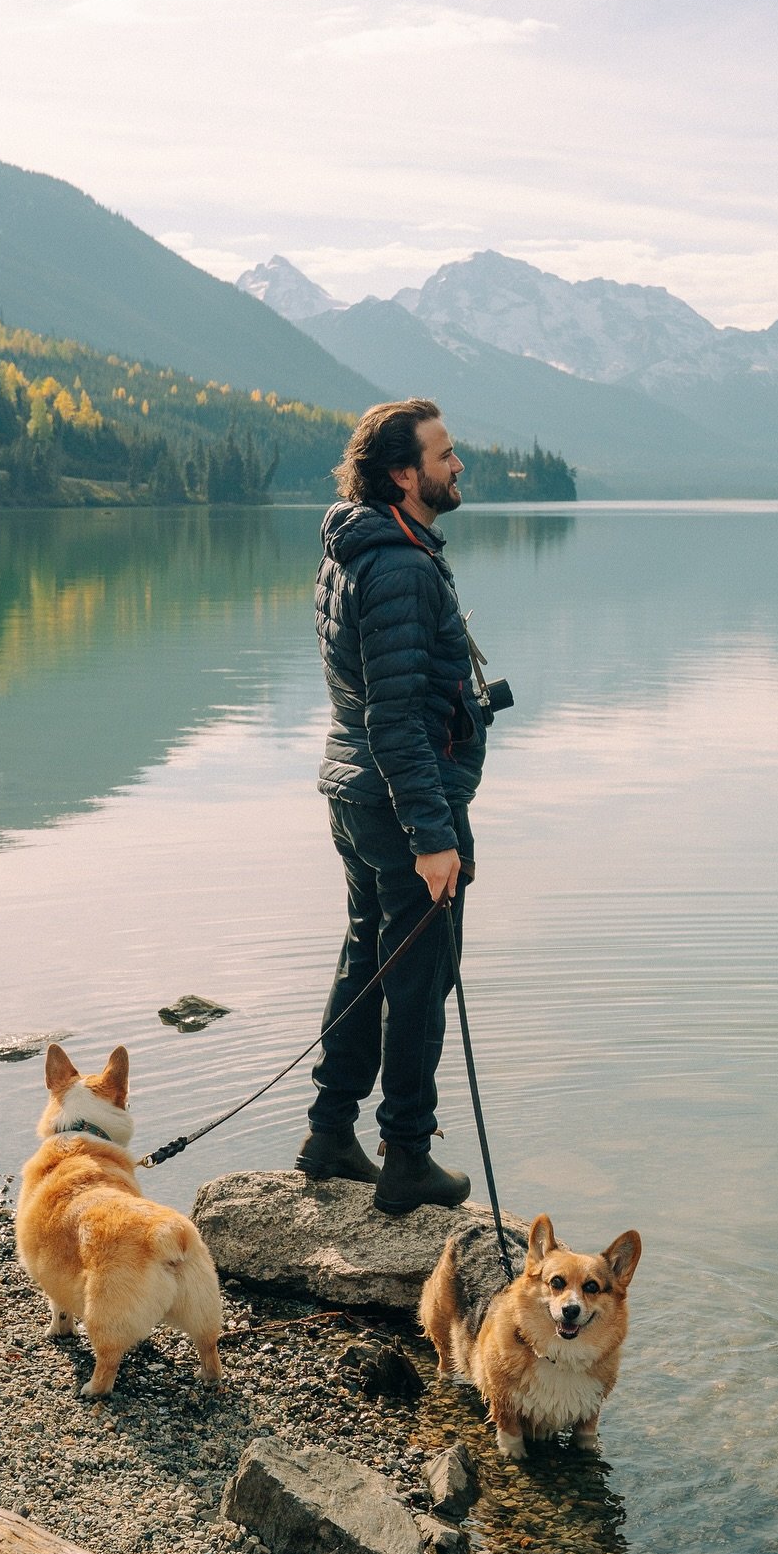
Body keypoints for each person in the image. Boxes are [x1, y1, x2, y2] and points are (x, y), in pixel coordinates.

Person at [296, 398, 488, 1214]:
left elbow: (372, 700)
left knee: (367, 958)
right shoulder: (402, 567)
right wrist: (432, 834)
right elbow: (397, 714)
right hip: (400, 802)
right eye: (445, 455)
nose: (458, 466)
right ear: (404, 474)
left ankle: (330, 1132)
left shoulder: (356, 546)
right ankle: (407, 1155)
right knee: (418, 980)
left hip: (353, 791)